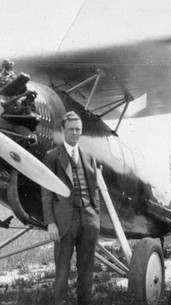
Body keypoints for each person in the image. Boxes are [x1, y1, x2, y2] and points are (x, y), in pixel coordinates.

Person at [42, 111, 100, 305]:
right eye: (71, 129)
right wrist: (51, 222)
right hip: (65, 219)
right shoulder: (52, 156)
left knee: (87, 268)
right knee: (62, 269)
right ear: (62, 130)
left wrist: (95, 213)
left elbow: (95, 188)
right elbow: (47, 192)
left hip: (88, 218)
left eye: (78, 129)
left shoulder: (89, 156)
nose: (75, 133)